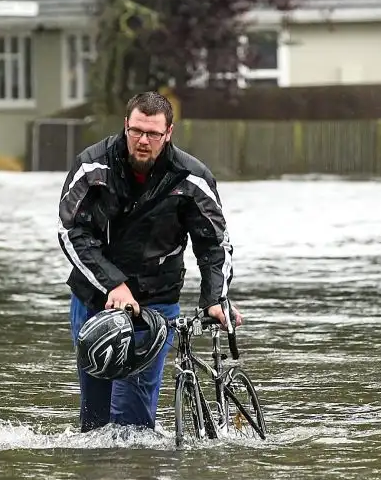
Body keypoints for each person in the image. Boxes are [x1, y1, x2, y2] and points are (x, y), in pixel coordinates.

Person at [57, 91, 242, 432]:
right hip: (95, 301)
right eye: (136, 131)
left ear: (168, 133)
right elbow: (71, 232)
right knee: (95, 424)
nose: (143, 140)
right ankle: (97, 479)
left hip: (155, 303)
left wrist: (215, 298)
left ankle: (138, 479)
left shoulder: (191, 178)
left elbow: (215, 244)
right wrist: (114, 283)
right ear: (125, 125)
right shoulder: (92, 166)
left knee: (134, 425)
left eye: (153, 134)